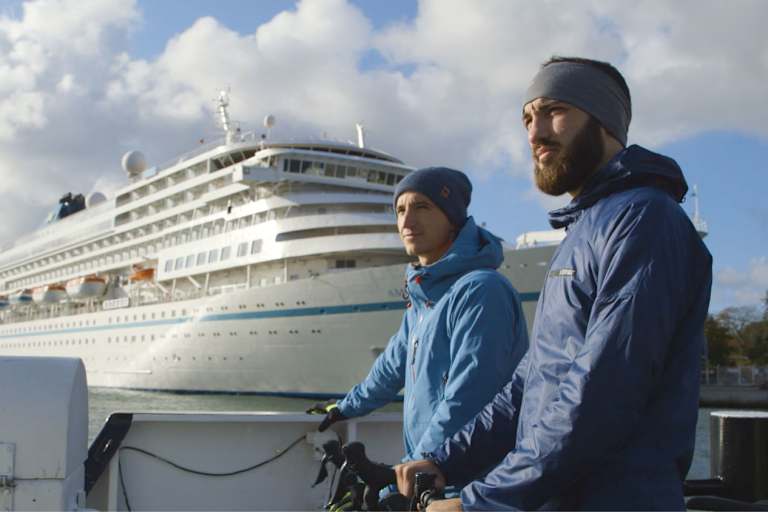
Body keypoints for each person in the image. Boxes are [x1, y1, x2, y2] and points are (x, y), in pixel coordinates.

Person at [394, 56, 713, 511]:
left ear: (604, 121)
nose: (534, 132)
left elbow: (605, 391)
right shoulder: (583, 230)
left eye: (554, 111)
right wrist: (446, 460)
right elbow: (528, 384)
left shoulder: (644, 220)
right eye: (527, 118)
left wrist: (479, 503)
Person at [316, 166, 529, 471]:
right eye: (400, 210)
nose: (407, 220)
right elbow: (391, 368)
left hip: (473, 481)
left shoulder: (481, 290)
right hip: (434, 474)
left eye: (422, 207)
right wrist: (346, 407)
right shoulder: (425, 298)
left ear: (452, 219)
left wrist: (413, 467)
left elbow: (468, 399)